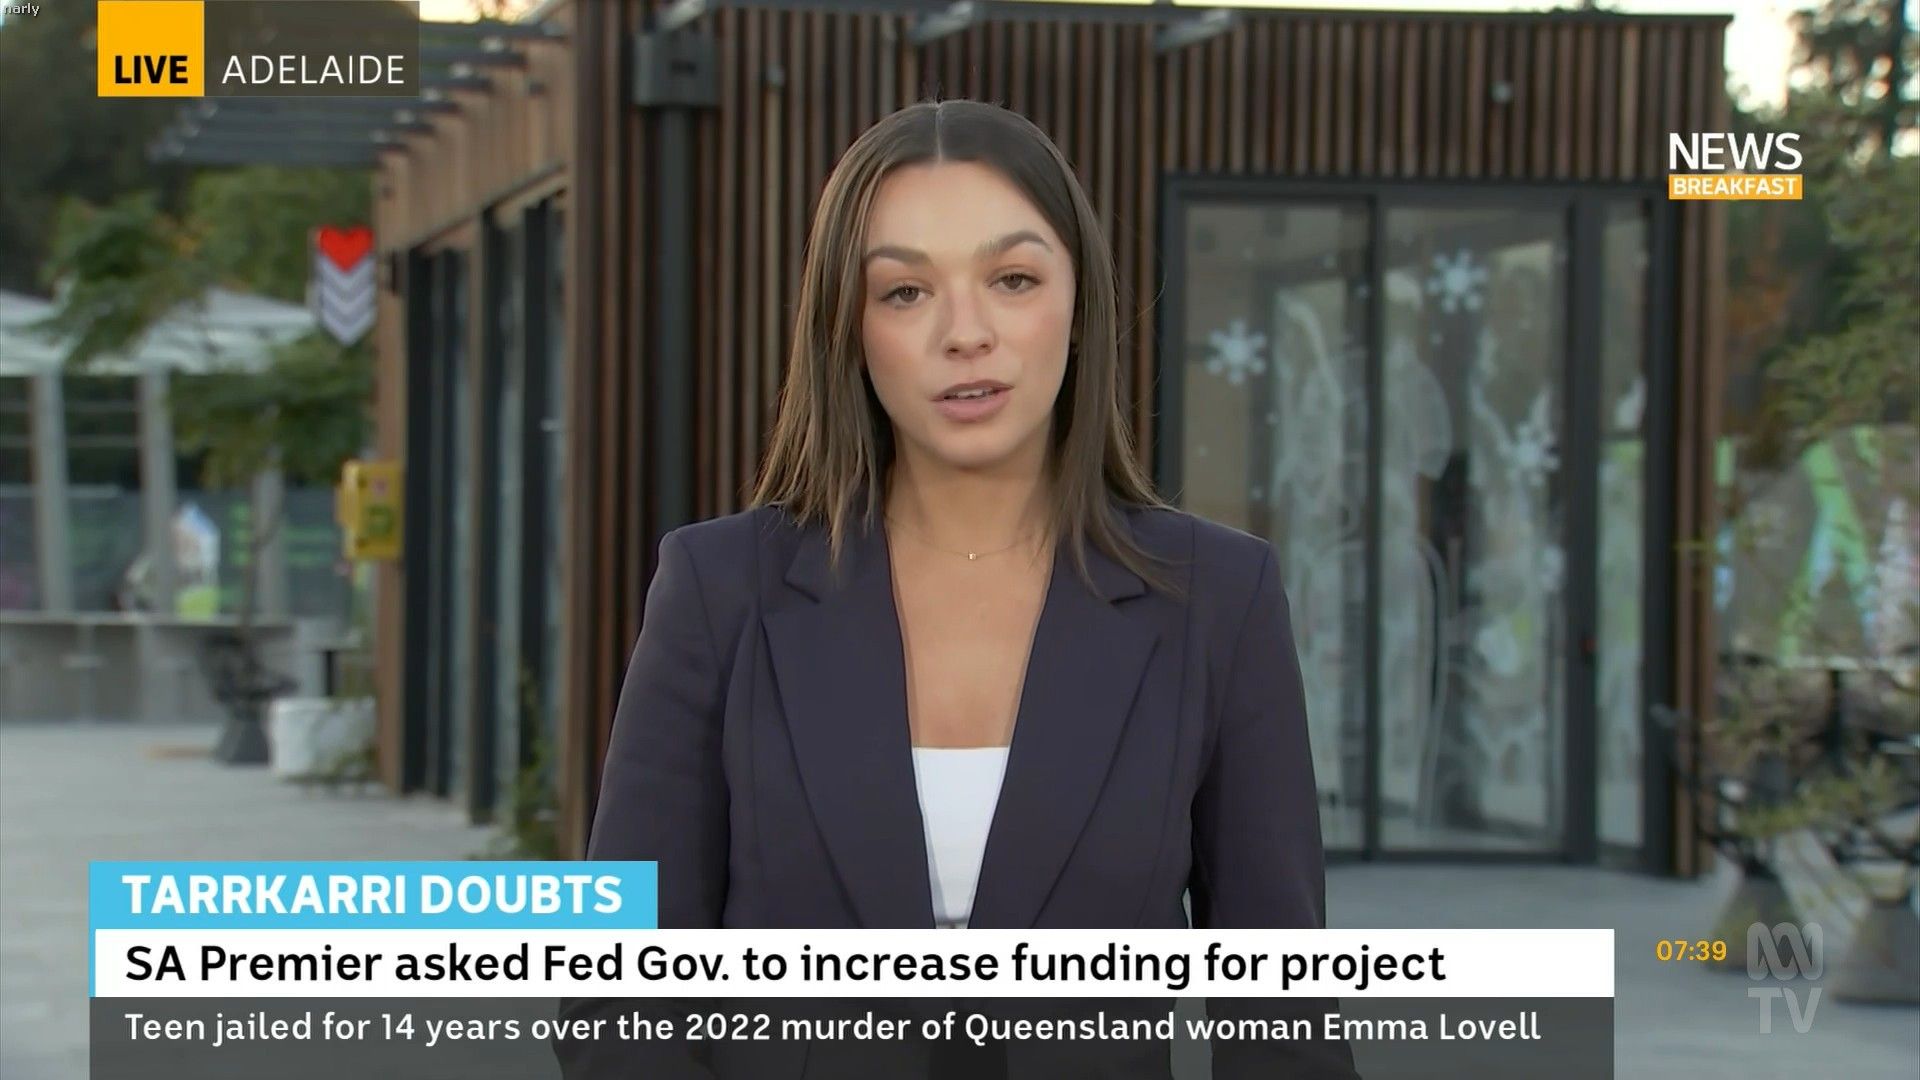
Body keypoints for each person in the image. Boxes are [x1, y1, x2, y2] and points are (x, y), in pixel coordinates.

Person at [555, 99, 1358, 1080]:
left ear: (1080, 304)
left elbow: (1284, 1026)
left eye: (1012, 279)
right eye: (904, 292)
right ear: (849, 330)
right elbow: (615, 1003)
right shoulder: (720, 594)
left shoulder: (1219, 600)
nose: (964, 333)